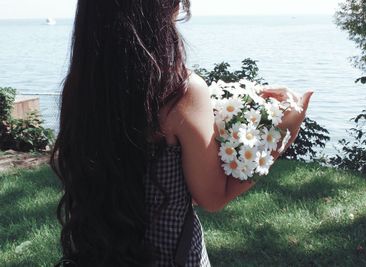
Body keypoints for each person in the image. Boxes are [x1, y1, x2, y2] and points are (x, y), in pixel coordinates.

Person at [51, 0, 313, 266]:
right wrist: (285, 132)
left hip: (94, 256)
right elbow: (212, 197)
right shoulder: (180, 92)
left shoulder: (79, 88)